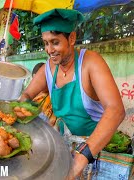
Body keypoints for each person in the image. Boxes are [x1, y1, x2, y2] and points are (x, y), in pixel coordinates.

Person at [19, 9, 125, 179]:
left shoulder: (91, 62)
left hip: (96, 149)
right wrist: (20, 112)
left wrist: (81, 158)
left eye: (55, 42)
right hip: (66, 145)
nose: (49, 50)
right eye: (45, 43)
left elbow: (116, 110)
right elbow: (26, 95)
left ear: (72, 38)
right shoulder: (49, 67)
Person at [30, 62, 57, 127]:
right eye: (35, 80)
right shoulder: (32, 94)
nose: (37, 84)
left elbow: (53, 123)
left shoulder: (54, 98)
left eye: (40, 81)